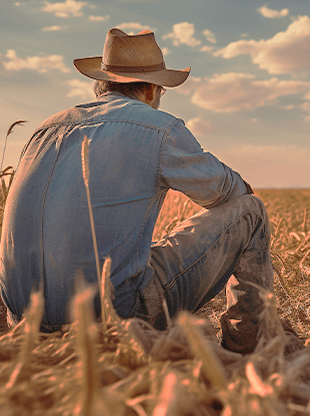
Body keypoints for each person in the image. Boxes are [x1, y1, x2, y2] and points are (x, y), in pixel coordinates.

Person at [0, 28, 273, 354]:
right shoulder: (157, 127)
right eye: (160, 91)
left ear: (101, 82)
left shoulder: (44, 131)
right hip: (116, 317)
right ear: (150, 89)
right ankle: (248, 354)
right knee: (252, 212)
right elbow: (228, 193)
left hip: (23, 323)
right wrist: (244, 189)